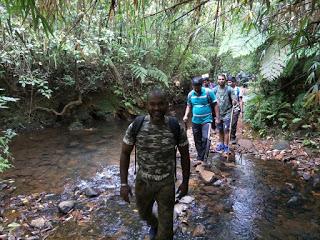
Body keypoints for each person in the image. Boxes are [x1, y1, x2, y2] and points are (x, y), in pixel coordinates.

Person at [120, 88, 190, 240]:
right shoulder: (137, 125)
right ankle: (155, 224)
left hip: (166, 183)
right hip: (143, 182)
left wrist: (185, 182)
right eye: (152, 104)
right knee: (144, 214)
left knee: (166, 233)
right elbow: (125, 153)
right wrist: (123, 184)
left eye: (161, 104)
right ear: (147, 105)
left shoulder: (175, 126)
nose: (157, 108)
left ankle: (162, 229)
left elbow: (185, 155)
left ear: (167, 105)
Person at [183, 76, 220, 161]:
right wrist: (186, 115)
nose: (196, 89)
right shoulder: (190, 94)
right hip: (195, 120)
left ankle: (204, 158)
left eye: (198, 88)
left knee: (205, 138)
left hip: (207, 120)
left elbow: (215, 105)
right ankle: (200, 156)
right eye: (194, 88)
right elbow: (189, 105)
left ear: (201, 85)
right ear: (192, 86)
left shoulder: (208, 92)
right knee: (197, 139)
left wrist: (217, 118)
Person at [213, 74, 237, 156]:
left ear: (225, 80)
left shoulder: (229, 89)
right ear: (217, 80)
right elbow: (211, 99)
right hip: (218, 113)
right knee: (220, 130)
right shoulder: (215, 90)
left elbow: (234, 99)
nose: (221, 81)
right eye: (219, 79)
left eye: (222, 79)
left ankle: (226, 146)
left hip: (227, 112)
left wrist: (234, 101)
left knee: (226, 130)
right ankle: (221, 144)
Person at [227, 76, 241, 143]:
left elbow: (240, 100)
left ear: (234, 82)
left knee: (233, 123)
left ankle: (232, 137)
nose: (229, 83)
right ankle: (226, 137)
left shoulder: (238, 89)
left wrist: (242, 110)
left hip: (236, 108)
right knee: (227, 122)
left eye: (230, 82)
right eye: (228, 82)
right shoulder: (226, 89)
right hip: (227, 109)